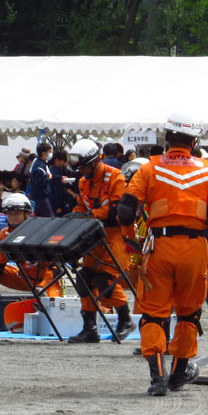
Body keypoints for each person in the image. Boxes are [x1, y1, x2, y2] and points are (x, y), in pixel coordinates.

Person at [117, 111, 208, 397]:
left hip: (159, 248)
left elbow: (126, 209)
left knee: (154, 313)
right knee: (189, 313)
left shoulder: (149, 169)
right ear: (193, 141)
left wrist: (131, 241)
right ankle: (179, 374)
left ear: (167, 138)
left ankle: (157, 378)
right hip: (194, 249)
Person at [66, 138, 136, 344]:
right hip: (95, 237)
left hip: (116, 236)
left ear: (95, 161)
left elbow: (116, 211)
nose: (82, 172)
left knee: (105, 278)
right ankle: (90, 329)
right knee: (84, 277)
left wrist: (90, 215)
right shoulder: (83, 182)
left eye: (85, 167)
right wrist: (75, 216)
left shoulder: (116, 178)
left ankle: (125, 320)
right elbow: (81, 205)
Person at [0, 193, 62, 296]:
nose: (13, 217)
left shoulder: (43, 231)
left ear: (27, 214)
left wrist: (41, 287)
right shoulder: (5, 234)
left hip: (48, 280)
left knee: (51, 306)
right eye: (10, 214)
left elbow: (55, 267)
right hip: (23, 278)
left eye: (16, 213)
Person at [27, 143, 54, 217]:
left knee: (39, 218)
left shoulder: (38, 162)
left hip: (37, 196)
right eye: (49, 152)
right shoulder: (40, 166)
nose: (51, 154)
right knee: (50, 218)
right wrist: (49, 178)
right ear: (44, 153)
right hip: (41, 197)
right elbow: (39, 182)